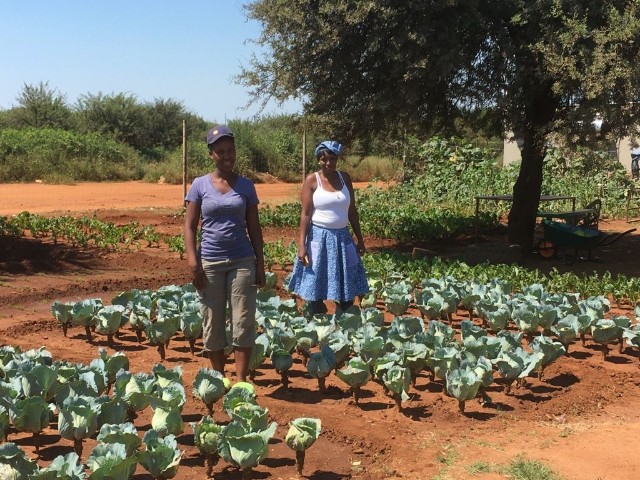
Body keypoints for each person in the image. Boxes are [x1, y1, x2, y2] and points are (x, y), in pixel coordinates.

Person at [184, 125, 265, 382]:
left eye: (230, 151)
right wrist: (193, 263)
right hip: (210, 262)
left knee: (243, 321)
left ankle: (240, 382)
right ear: (211, 154)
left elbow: (254, 227)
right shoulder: (199, 185)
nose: (227, 156)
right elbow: (189, 226)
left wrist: (260, 264)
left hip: (242, 260)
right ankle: (219, 379)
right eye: (221, 152)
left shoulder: (246, 186)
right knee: (212, 322)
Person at [288, 140, 369, 315]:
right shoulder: (312, 180)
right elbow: (305, 214)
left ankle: (345, 316)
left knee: (347, 277)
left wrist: (360, 239)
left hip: (343, 237)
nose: (329, 163)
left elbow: (352, 210)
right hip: (319, 237)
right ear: (319, 160)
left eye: (333, 159)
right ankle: (318, 317)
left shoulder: (344, 178)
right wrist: (302, 245)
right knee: (316, 278)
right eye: (325, 159)